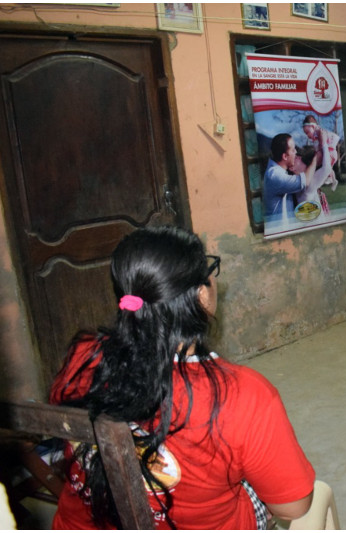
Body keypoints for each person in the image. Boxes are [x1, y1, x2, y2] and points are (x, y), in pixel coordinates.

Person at [49, 226, 315, 529]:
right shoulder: (243, 396)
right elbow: (293, 506)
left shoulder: (83, 355)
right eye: (210, 270)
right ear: (201, 294)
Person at [263, 133, 313, 219]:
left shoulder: (279, 172)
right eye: (293, 150)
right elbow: (306, 181)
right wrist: (315, 158)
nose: (296, 152)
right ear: (285, 156)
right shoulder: (275, 175)